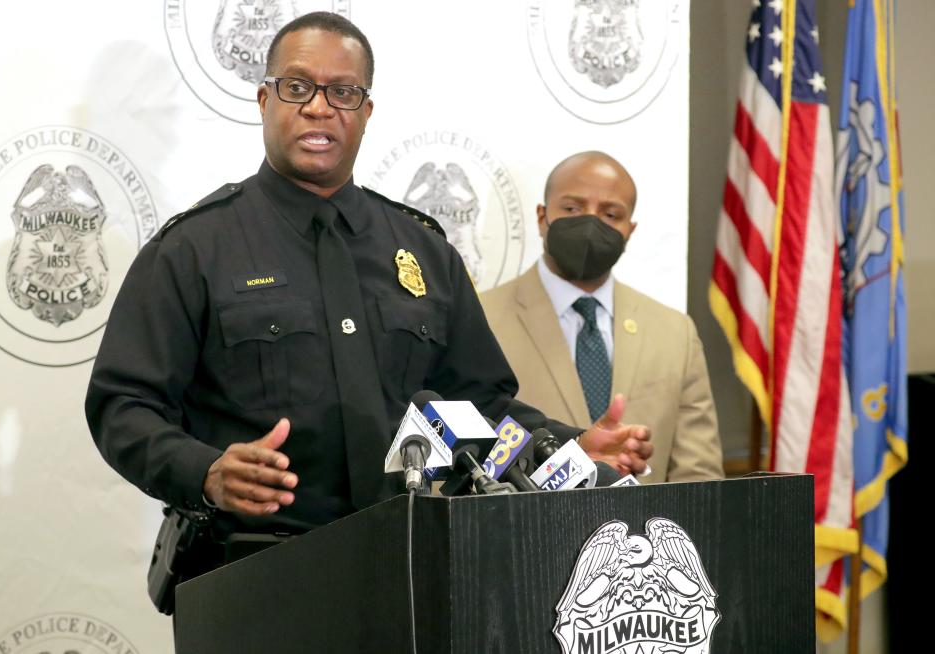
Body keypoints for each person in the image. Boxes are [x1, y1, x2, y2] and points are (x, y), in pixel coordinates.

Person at [84, 15, 653, 569]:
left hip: (410, 568)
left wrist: (571, 445)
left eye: (343, 91)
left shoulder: (425, 251)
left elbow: (483, 407)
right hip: (255, 573)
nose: (318, 106)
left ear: (366, 111)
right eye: (297, 86)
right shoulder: (195, 249)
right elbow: (122, 405)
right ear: (264, 100)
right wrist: (204, 472)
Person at [480, 152, 723, 483]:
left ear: (629, 230)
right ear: (541, 217)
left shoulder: (675, 333)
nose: (590, 223)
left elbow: (699, 477)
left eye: (611, 214)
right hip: (519, 530)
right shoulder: (481, 318)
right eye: (572, 209)